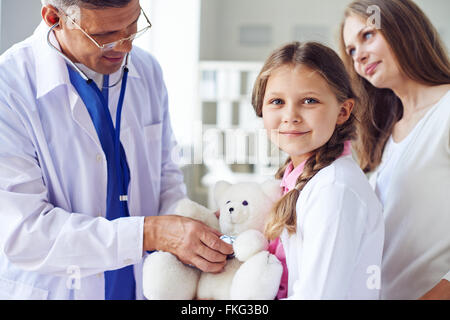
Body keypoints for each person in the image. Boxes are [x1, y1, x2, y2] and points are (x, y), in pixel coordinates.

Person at [0, 0, 232, 300]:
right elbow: (25, 234)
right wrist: (152, 233)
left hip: (139, 286)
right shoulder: (9, 88)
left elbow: (166, 177)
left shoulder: (146, 70)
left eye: (133, 25)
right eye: (107, 34)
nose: (125, 48)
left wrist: (189, 225)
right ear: (54, 18)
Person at [251, 41, 384, 299]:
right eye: (277, 101)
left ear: (343, 111)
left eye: (309, 101)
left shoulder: (335, 189)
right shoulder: (291, 178)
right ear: (261, 109)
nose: (291, 115)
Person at [340, 0, 450, 300]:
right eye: (351, 50)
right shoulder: (385, 134)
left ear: (403, 27)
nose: (358, 56)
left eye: (367, 36)